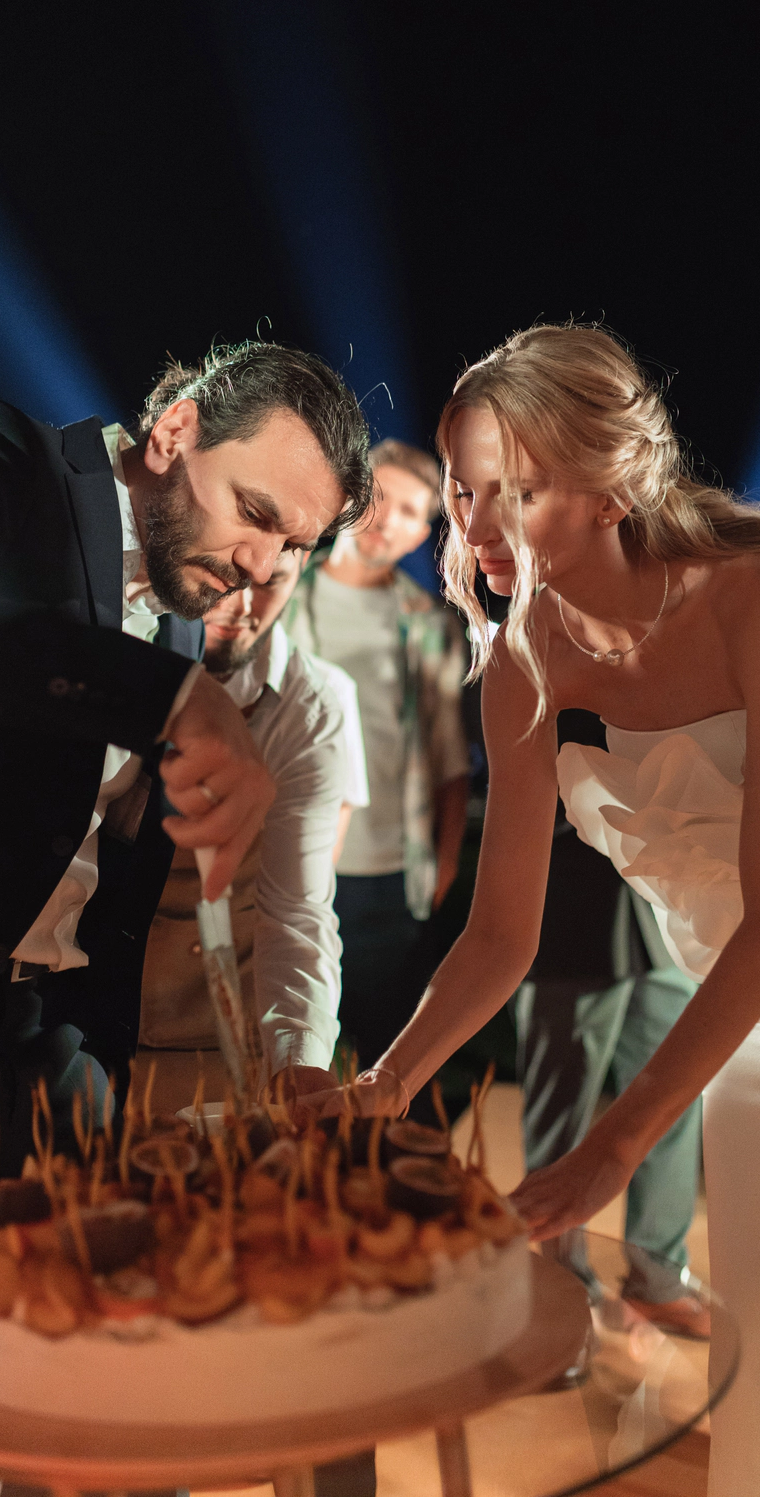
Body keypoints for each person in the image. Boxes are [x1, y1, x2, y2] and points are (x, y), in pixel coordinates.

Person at [327, 324, 760, 1497]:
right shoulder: (519, 665)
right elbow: (501, 935)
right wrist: (385, 1082)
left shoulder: (756, 594)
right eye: (466, 490)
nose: (476, 524)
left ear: (610, 486)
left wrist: (613, 1147)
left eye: (517, 490)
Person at [0, 341, 372, 1300]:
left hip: (39, 1059)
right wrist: (163, 697)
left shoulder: (185, 610)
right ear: (176, 430)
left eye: (293, 548)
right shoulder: (0, 451)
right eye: (255, 514)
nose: (262, 566)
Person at [136, 550, 369, 1112]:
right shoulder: (124, 659)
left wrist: (299, 1058)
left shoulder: (311, 705)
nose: (240, 606)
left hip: (227, 1040)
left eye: (271, 584)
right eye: (226, 580)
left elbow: (296, 909)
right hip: (89, 1019)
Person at [517, 706, 706, 1336]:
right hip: (566, 905)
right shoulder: (532, 657)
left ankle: (658, 1279)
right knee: (561, 1116)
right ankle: (562, 1291)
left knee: (673, 1103)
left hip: (667, 904)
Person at [284, 438, 470, 1070]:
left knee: (385, 1064)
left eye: (410, 512)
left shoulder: (428, 624)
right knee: (291, 1059)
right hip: (291, 859)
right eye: (380, 497)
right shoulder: (280, 594)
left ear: (422, 534)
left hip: (389, 875)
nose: (386, 519)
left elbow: (450, 758)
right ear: (349, 494)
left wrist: (444, 864)